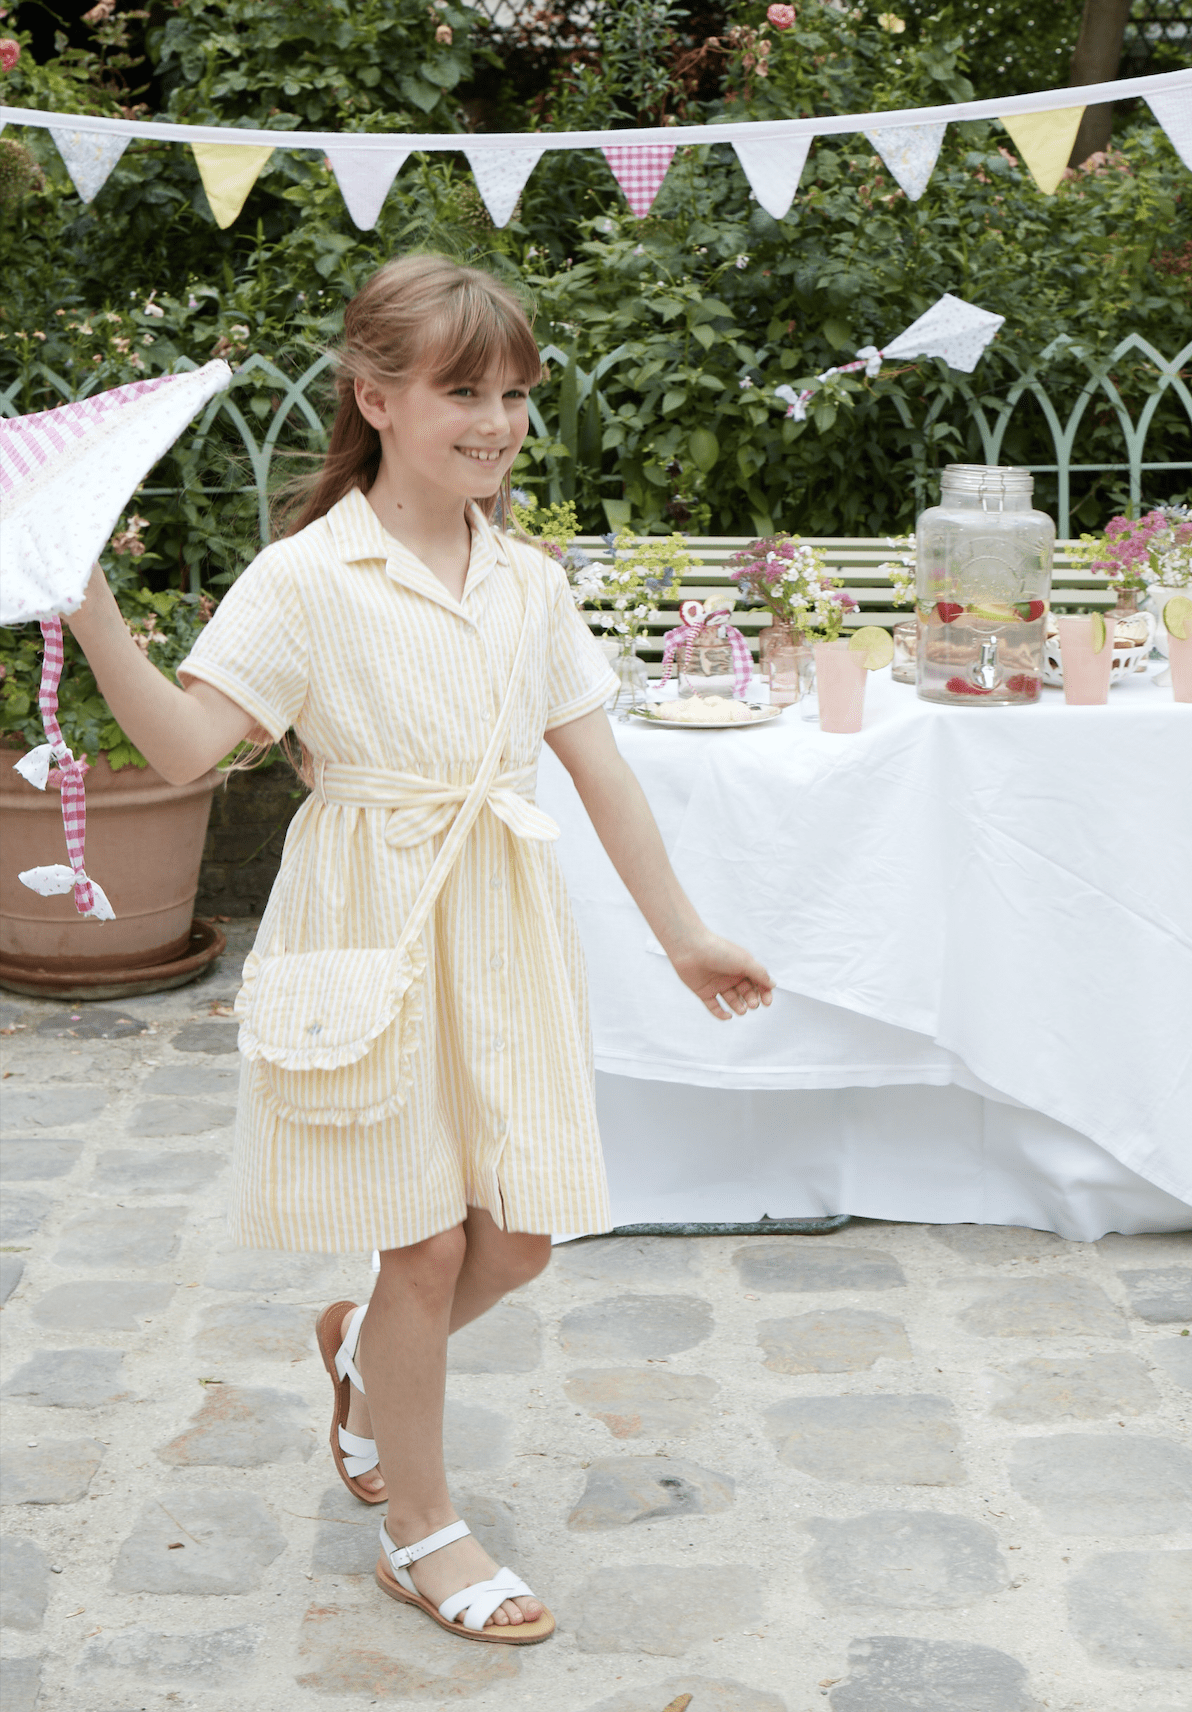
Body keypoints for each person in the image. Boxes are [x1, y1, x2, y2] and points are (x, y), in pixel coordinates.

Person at [66, 253, 773, 1646]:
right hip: (370, 924)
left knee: (515, 1242)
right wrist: (86, 598)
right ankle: (421, 1531)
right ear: (375, 397)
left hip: (500, 921)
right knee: (428, 1251)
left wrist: (685, 935)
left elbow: (601, 771)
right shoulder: (304, 578)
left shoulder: (527, 582)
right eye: (464, 390)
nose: (499, 421)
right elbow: (188, 745)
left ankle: (356, 1359)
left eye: (515, 392)